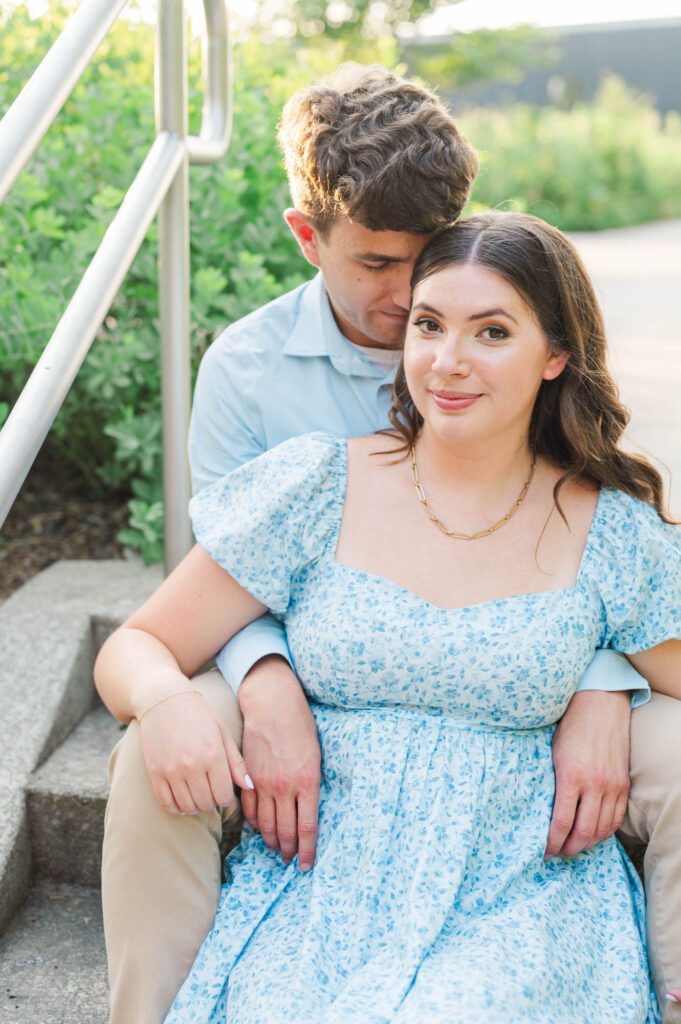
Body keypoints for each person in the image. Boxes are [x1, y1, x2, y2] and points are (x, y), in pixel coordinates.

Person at [99, 65, 681, 1024]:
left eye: (482, 322)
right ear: (309, 238)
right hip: (301, 670)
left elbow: (613, 584)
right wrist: (248, 683)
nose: (441, 348)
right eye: (411, 306)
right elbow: (184, 614)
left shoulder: (590, 508)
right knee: (151, 761)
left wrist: (600, 672)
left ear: (551, 352)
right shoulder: (268, 402)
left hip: (511, 770)